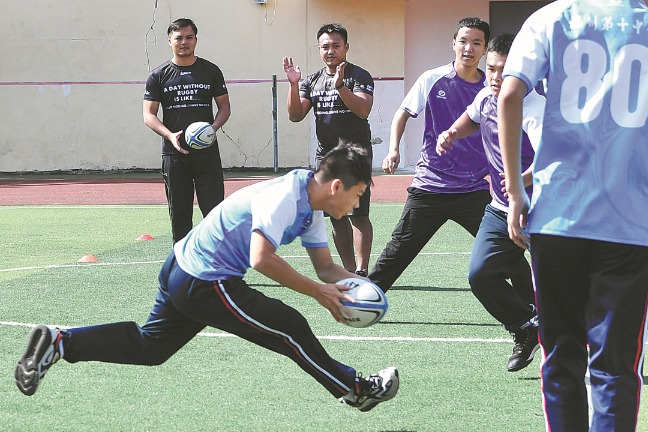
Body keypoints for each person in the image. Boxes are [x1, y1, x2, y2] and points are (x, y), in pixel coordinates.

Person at [14, 143, 399, 411]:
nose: (355, 204)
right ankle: (356, 391)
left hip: (183, 267)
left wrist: (363, 290)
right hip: (205, 280)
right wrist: (319, 293)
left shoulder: (312, 209)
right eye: (358, 194)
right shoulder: (285, 195)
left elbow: (327, 269)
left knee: (151, 348)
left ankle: (60, 342)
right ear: (337, 186)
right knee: (290, 327)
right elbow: (261, 259)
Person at [497, 1, 648, 430]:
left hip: (558, 213)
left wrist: (514, 190)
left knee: (561, 355)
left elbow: (509, 94)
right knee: (616, 365)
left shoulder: (550, 17)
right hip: (631, 218)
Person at [436, 34, 545, 372]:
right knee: (481, 275)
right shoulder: (486, 96)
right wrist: (452, 132)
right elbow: (473, 116)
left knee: (561, 286)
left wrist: (521, 180)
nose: (496, 78)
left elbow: (550, 155)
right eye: (492, 69)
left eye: (504, 70)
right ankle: (526, 327)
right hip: (501, 209)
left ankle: (579, 354)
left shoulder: (535, 106)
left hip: (543, 211)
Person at [369, 17, 491, 291]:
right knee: (397, 252)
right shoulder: (432, 78)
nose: (468, 48)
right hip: (430, 187)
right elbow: (402, 113)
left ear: (484, 49)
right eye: (463, 41)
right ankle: (363, 301)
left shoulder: (489, 90)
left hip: (472, 190)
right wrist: (393, 150)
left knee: (505, 248)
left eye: (476, 43)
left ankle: (532, 308)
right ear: (453, 44)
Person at [283, 23, 374, 277]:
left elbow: (363, 110)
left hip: (356, 155)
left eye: (336, 46)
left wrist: (341, 87)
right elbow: (295, 115)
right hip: (326, 157)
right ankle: (347, 270)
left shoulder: (359, 76)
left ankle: (362, 270)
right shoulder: (311, 80)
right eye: (325, 47)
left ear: (346, 47)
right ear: (319, 49)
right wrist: (293, 85)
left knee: (358, 214)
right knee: (336, 215)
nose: (331, 51)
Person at [143, 18, 231, 243]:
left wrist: (213, 128)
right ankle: (184, 270)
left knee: (214, 213)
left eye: (188, 37)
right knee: (180, 215)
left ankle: (219, 269)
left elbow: (224, 107)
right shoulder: (158, 75)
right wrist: (170, 135)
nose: (184, 42)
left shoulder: (210, 71)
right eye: (178, 38)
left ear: (195, 40)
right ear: (169, 41)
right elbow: (149, 115)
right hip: (174, 155)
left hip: (206, 154)